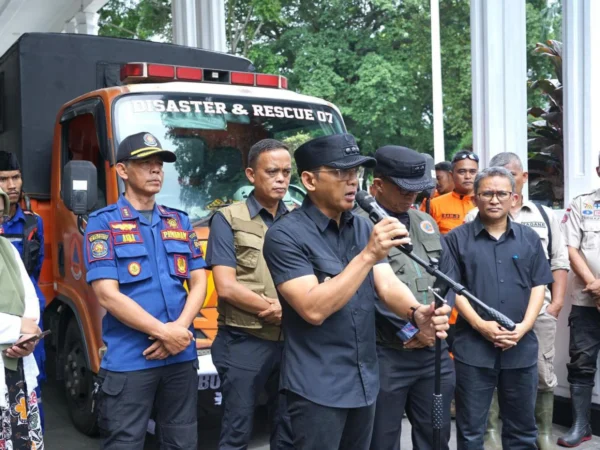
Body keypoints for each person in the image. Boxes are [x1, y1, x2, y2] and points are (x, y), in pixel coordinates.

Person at [263, 133, 451, 450]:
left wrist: (417, 313)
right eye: (340, 173)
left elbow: (387, 282)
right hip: (316, 387)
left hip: (365, 380)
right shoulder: (285, 235)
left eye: (355, 173)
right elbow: (312, 308)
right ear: (309, 180)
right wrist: (366, 256)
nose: (352, 182)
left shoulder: (362, 227)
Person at [84, 132, 207, 450]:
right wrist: (163, 333)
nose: (156, 170)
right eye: (145, 163)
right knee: (124, 442)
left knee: (181, 441)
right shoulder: (103, 224)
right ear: (122, 171)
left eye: (159, 164)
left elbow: (199, 281)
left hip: (180, 355)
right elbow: (107, 294)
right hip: (131, 360)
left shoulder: (178, 220)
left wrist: (177, 331)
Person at [440, 167, 554, 449]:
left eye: (501, 193)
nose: (494, 199)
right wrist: (481, 325)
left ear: (513, 197)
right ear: (475, 197)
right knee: (470, 429)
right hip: (472, 347)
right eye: (487, 193)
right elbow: (453, 289)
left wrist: (523, 328)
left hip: (520, 346)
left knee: (522, 430)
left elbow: (540, 285)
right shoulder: (455, 239)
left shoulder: (528, 239)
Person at [464, 153, 569, 450]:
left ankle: (543, 432)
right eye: (490, 190)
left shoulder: (543, 215)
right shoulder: (473, 220)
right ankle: (492, 432)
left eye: (511, 177)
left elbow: (558, 261)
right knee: (491, 375)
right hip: (487, 315)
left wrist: (556, 303)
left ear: (521, 181)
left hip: (538, 312)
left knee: (542, 372)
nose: (496, 197)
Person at [357, 146, 455, 450]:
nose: (411, 196)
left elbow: (448, 276)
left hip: (432, 352)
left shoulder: (424, 221)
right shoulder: (358, 224)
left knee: (436, 434)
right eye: (402, 189)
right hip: (386, 352)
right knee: (382, 438)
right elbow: (364, 291)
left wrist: (435, 325)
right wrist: (412, 328)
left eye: (417, 190)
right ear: (377, 185)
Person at [206, 139, 293, 450]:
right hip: (244, 341)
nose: (281, 178)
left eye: (286, 171)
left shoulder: (299, 220)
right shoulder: (228, 218)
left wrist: (288, 312)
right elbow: (226, 286)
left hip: (291, 343)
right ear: (251, 174)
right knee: (237, 430)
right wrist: (281, 308)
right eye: (272, 171)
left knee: (288, 429)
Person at [0, 150, 47, 428]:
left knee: (30, 390)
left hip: (29, 315)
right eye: (4, 179)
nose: (12, 185)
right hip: (6, 321)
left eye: (16, 177)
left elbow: (34, 271)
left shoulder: (32, 222)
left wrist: (28, 325)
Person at [557, 156, 600, 448]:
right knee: (581, 363)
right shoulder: (582, 204)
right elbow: (570, 248)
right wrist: (595, 287)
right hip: (586, 301)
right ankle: (581, 425)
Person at [426, 151, 479, 234]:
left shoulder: (487, 202)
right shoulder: (434, 204)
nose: (468, 176)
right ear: (452, 175)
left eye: (472, 172)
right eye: (462, 172)